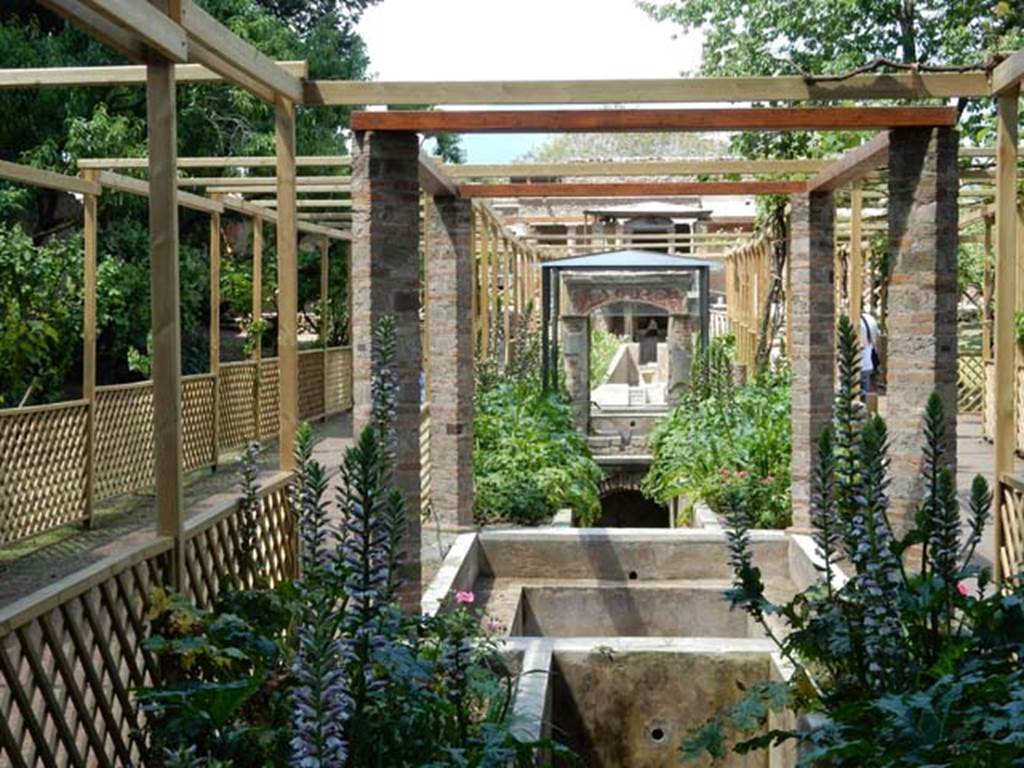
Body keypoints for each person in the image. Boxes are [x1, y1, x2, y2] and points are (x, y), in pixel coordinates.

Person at [859, 312, 880, 396]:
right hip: (868, 363)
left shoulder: (858, 323)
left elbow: (862, 344)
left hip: (860, 364)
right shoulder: (869, 319)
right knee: (866, 392)